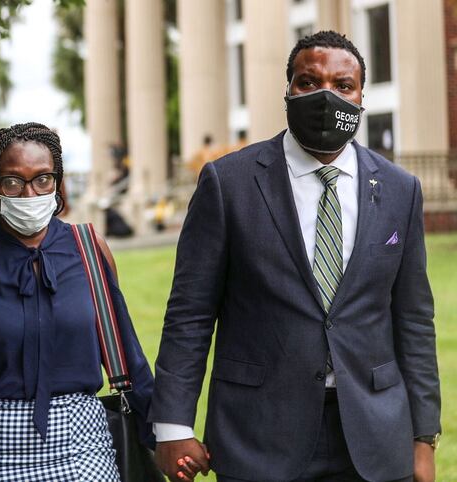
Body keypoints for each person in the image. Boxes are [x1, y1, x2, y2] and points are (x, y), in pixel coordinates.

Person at [149, 31, 440, 482]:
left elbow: (414, 320)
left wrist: (423, 437)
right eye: (309, 82)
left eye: (343, 86)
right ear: (287, 91)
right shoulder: (228, 183)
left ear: (361, 96)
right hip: (259, 437)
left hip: (375, 439)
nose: (327, 96)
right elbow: (190, 313)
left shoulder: (402, 189)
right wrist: (172, 426)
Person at [0, 122, 155, 482]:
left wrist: (165, 433)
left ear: (58, 182)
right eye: (12, 181)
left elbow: (128, 353)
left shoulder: (89, 248)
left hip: (81, 437)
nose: (29, 194)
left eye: (42, 179)